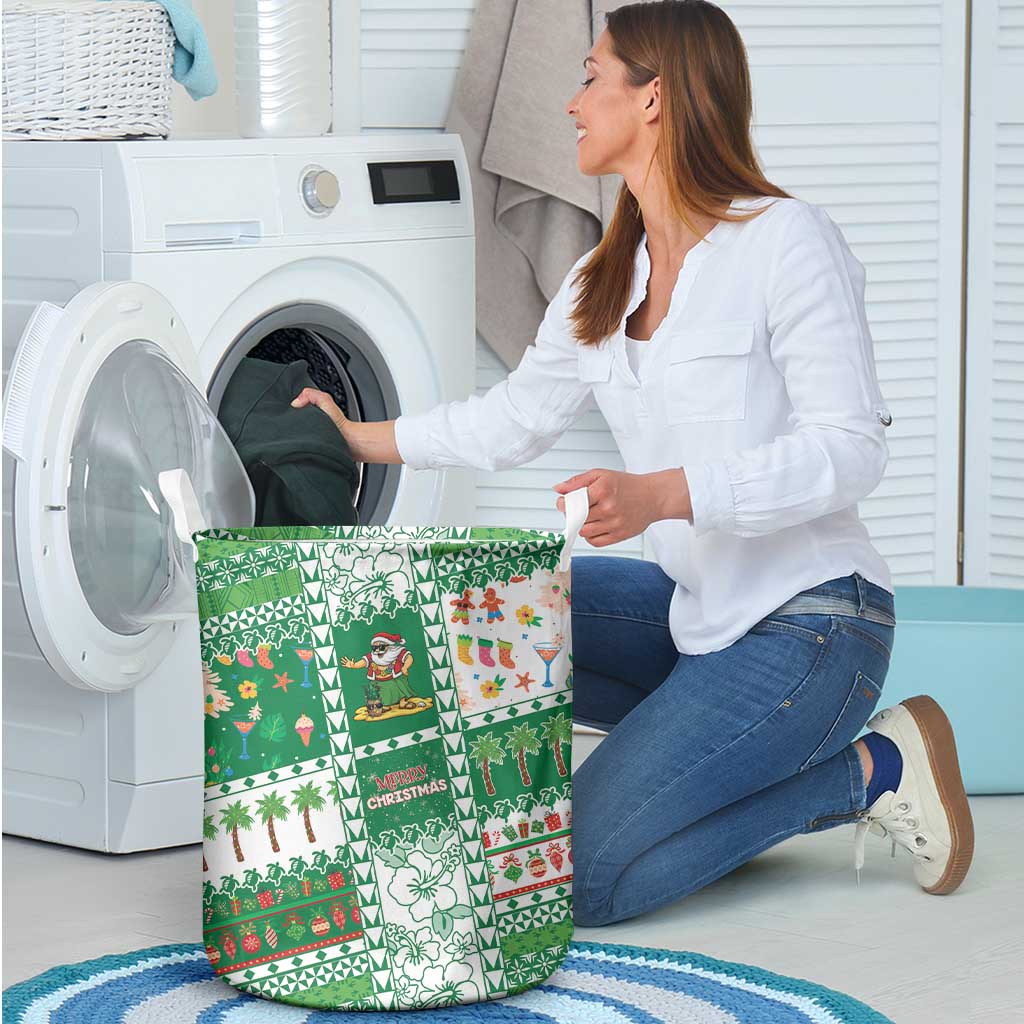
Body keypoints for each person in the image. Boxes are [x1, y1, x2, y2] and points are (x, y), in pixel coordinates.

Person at [291, 0, 974, 926]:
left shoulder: (784, 241)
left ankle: (870, 772)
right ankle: (671, 766)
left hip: (814, 625)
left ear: (653, 99)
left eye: (590, 77)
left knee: (578, 880)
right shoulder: (601, 277)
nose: (571, 102)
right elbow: (513, 421)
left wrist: (666, 496)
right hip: (697, 617)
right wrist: (362, 435)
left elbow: (850, 452)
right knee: (471, 620)